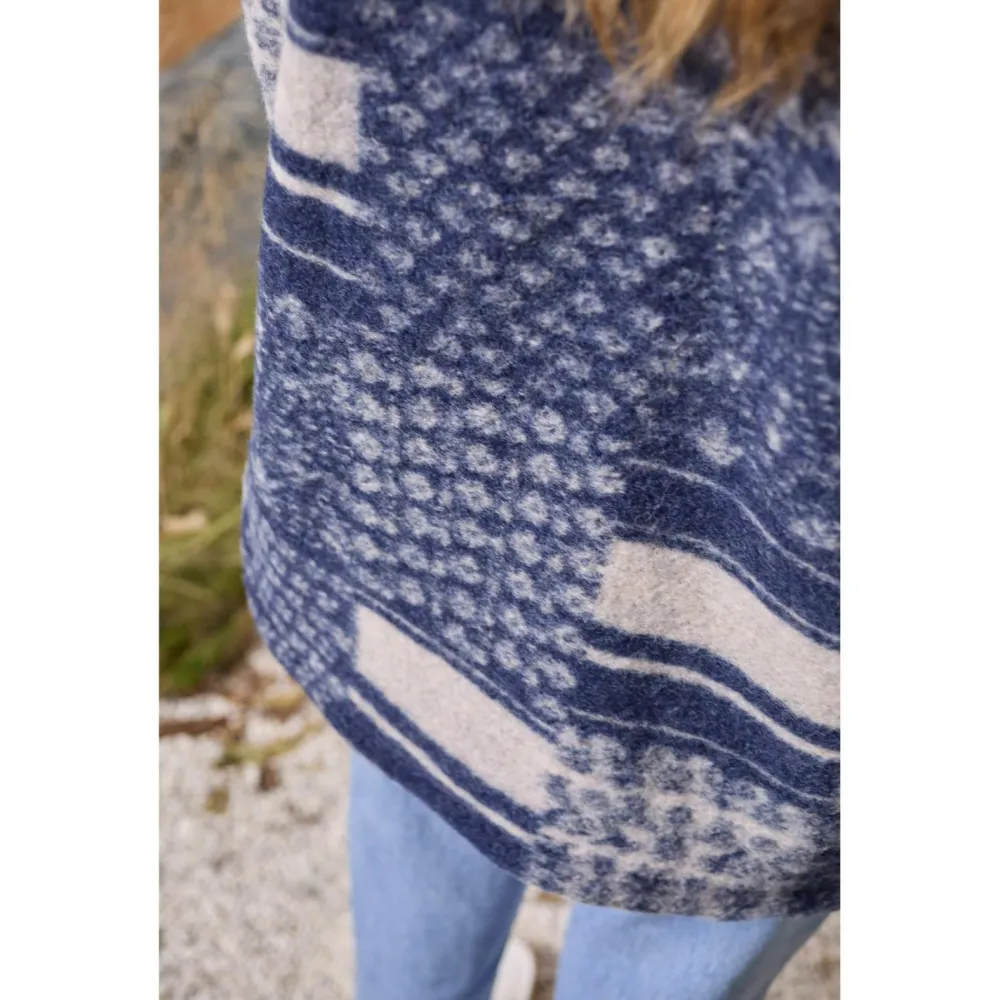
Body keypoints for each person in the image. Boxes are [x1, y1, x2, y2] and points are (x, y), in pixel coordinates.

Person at [239, 0, 840, 997]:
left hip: (429, 401)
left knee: (423, 740)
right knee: (689, 877)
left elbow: (302, 54)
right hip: (771, 537)